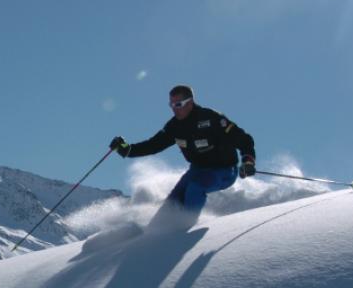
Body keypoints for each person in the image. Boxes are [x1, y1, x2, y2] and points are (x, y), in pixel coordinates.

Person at [109, 84, 256, 222]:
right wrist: (126, 150)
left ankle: (184, 231)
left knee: (195, 188)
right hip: (197, 170)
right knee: (172, 203)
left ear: (190, 102)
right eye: (171, 105)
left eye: (178, 104)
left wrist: (248, 161)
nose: (174, 109)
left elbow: (243, 139)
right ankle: (159, 234)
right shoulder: (174, 126)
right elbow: (153, 145)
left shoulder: (211, 118)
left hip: (224, 171)